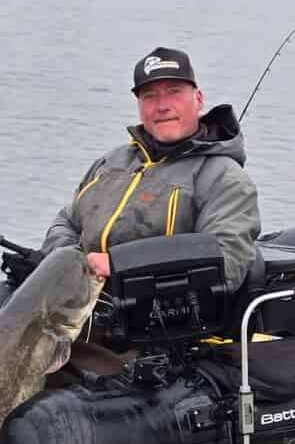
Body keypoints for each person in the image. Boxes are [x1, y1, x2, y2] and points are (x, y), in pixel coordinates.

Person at [40, 47, 260, 292]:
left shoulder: (225, 178)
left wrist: (119, 264)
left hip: (160, 320)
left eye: (174, 92)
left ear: (198, 99)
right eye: (150, 96)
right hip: (83, 302)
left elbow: (225, 262)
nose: (162, 106)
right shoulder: (112, 162)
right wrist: (69, 265)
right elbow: (67, 221)